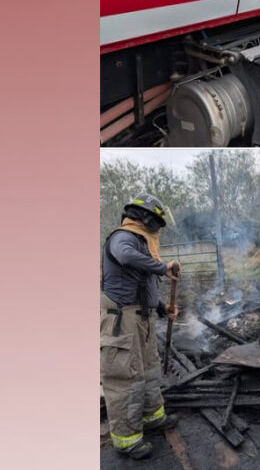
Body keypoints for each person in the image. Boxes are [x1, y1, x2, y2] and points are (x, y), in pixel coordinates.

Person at [100, 193, 181, 460]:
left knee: (148, 370)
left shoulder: (143, 243)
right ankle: (126, 440)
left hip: (142, 319)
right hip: (121, 322)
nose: (157, 228)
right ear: (145, 218)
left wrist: (161, 307)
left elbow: (144, 286)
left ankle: (152, 417)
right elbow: (124, 256)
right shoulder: (123, 237)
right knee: (125, 379)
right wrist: (161, 267)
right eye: (156, 221)